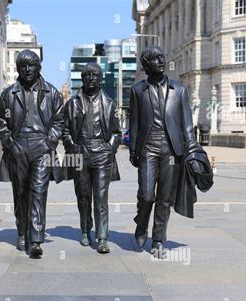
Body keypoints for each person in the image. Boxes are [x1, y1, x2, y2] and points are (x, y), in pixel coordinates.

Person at [129, 45, 196, 259]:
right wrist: (132, 150)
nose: (161, 61)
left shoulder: (180, 90)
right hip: (148, 147)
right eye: (155, 59)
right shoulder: (138, 90)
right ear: (146, 65)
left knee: (164, 198)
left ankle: (158, 239)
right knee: (147, 195)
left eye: (162, 57)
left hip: (171, 149)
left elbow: (187, 125)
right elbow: (134, 123)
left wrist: (192, 150)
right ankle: (141, 226)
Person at [0, 50, 64, 259]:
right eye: (23, 66)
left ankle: (35, 239)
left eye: (31, 65)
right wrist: (10, 144)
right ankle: (22, 232)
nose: (27, 69)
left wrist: (49, 141)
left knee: (38, 192)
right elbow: (1, 123)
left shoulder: (52, 93)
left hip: (41, 147)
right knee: (20, 192)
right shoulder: (8, 94)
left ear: (39, 67)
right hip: (18, 147)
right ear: (17, 68)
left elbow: (59, 121)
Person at [62, 63, 121, 254]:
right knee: (83, 196)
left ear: (100, 78)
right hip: (81, 151)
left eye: (95, 75)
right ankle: (85, 229)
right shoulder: (72, 103)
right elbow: (64, 130)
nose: (91, 78)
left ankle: (102, 237)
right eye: (87, 75)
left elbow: (116, 132)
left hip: (102, 153)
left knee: (101, 197)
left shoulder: (109, 103)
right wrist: (72, 146)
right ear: (82, 78)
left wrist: (109, 149)